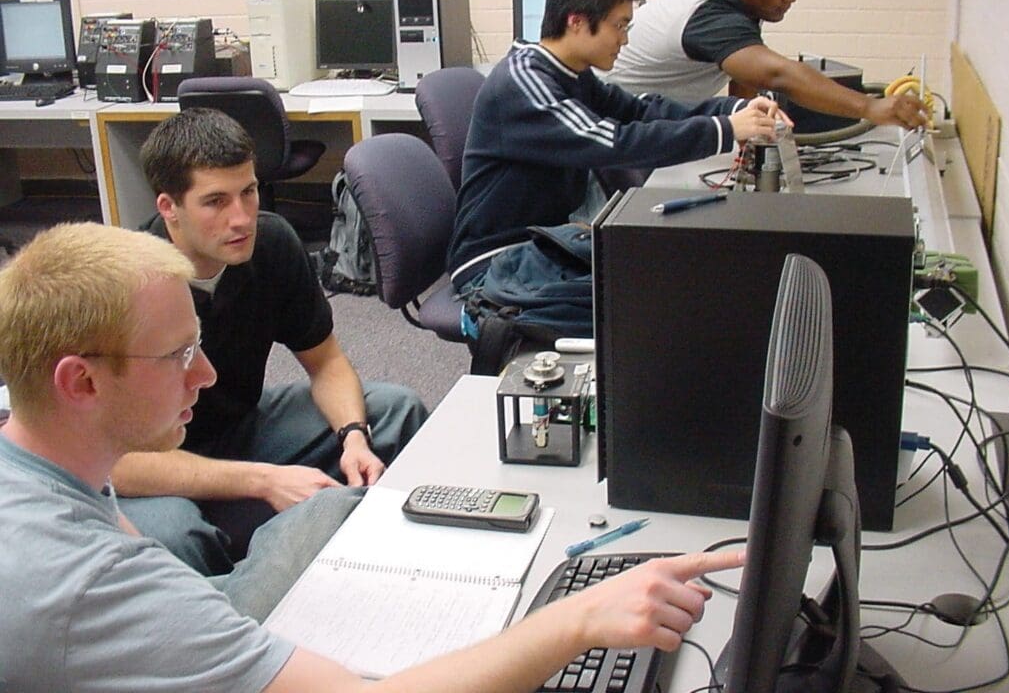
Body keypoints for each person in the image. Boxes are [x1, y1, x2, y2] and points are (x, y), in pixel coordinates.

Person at [0, 221, 745, 693]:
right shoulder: (82, 582)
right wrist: (578, 620)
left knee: (326, 509)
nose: (207, 374)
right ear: (82, 381)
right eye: (178, 355)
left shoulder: (43, 457)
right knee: (327, 514)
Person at [113, 108, 428, 576]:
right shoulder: (125, 284)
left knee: (394, 409)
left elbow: (326, 363)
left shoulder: (273, 243)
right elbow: (114, 463)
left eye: (249, 192)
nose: (242, 218)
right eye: (215, 201)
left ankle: (395, 558)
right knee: (174, 537)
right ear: (168, 207)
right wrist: (262, 480)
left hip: (241, 428)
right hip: (153, 467)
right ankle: (237, 626)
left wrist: (354, 438)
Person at [447, 0, 782, 345]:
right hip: (493, 265)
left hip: (545, 244)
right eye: (619, 26)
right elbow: (612, 142)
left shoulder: (571, 73)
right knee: (644, 302)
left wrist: (734, 109)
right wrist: (723, 131)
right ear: (576, 20)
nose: (625, 38)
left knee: (662, 276)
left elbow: (639, 110)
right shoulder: (524, 84)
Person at [606, 0, 928, 130]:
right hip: (612, 117)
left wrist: (748, 129)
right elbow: (776, 74)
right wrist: (870, 107)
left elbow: (745, 70)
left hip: (649, 112)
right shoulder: (711, 16)